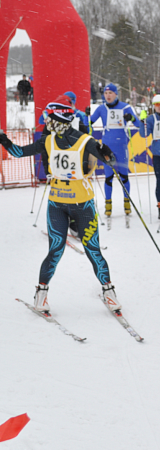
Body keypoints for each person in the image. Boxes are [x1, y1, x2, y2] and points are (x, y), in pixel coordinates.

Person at [0, 95, 122, 312]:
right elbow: (19, 152)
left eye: (49, 120)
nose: (46, 123)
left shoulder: (85, 141)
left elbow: (111, 161)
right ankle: (41, 294)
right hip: (57, 204)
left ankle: (109, 292)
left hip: (83, 205)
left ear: (59, 121)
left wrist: (106, 153)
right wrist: (4, 140)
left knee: (92, 250)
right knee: (55, 249)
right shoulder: (48, 140)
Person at [90, 83, 141, 217]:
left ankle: (127, 202)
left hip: (121, 146)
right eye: (106, 93)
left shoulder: (125, 107)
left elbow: (139, 124)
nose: (108, 96)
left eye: (110, 93)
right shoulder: (101, 108)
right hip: (107, 147)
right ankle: (108, 204)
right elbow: (89, 122)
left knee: (124, 176)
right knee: (108, 177)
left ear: (116, 94)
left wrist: (132, 118)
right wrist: (85, 116)